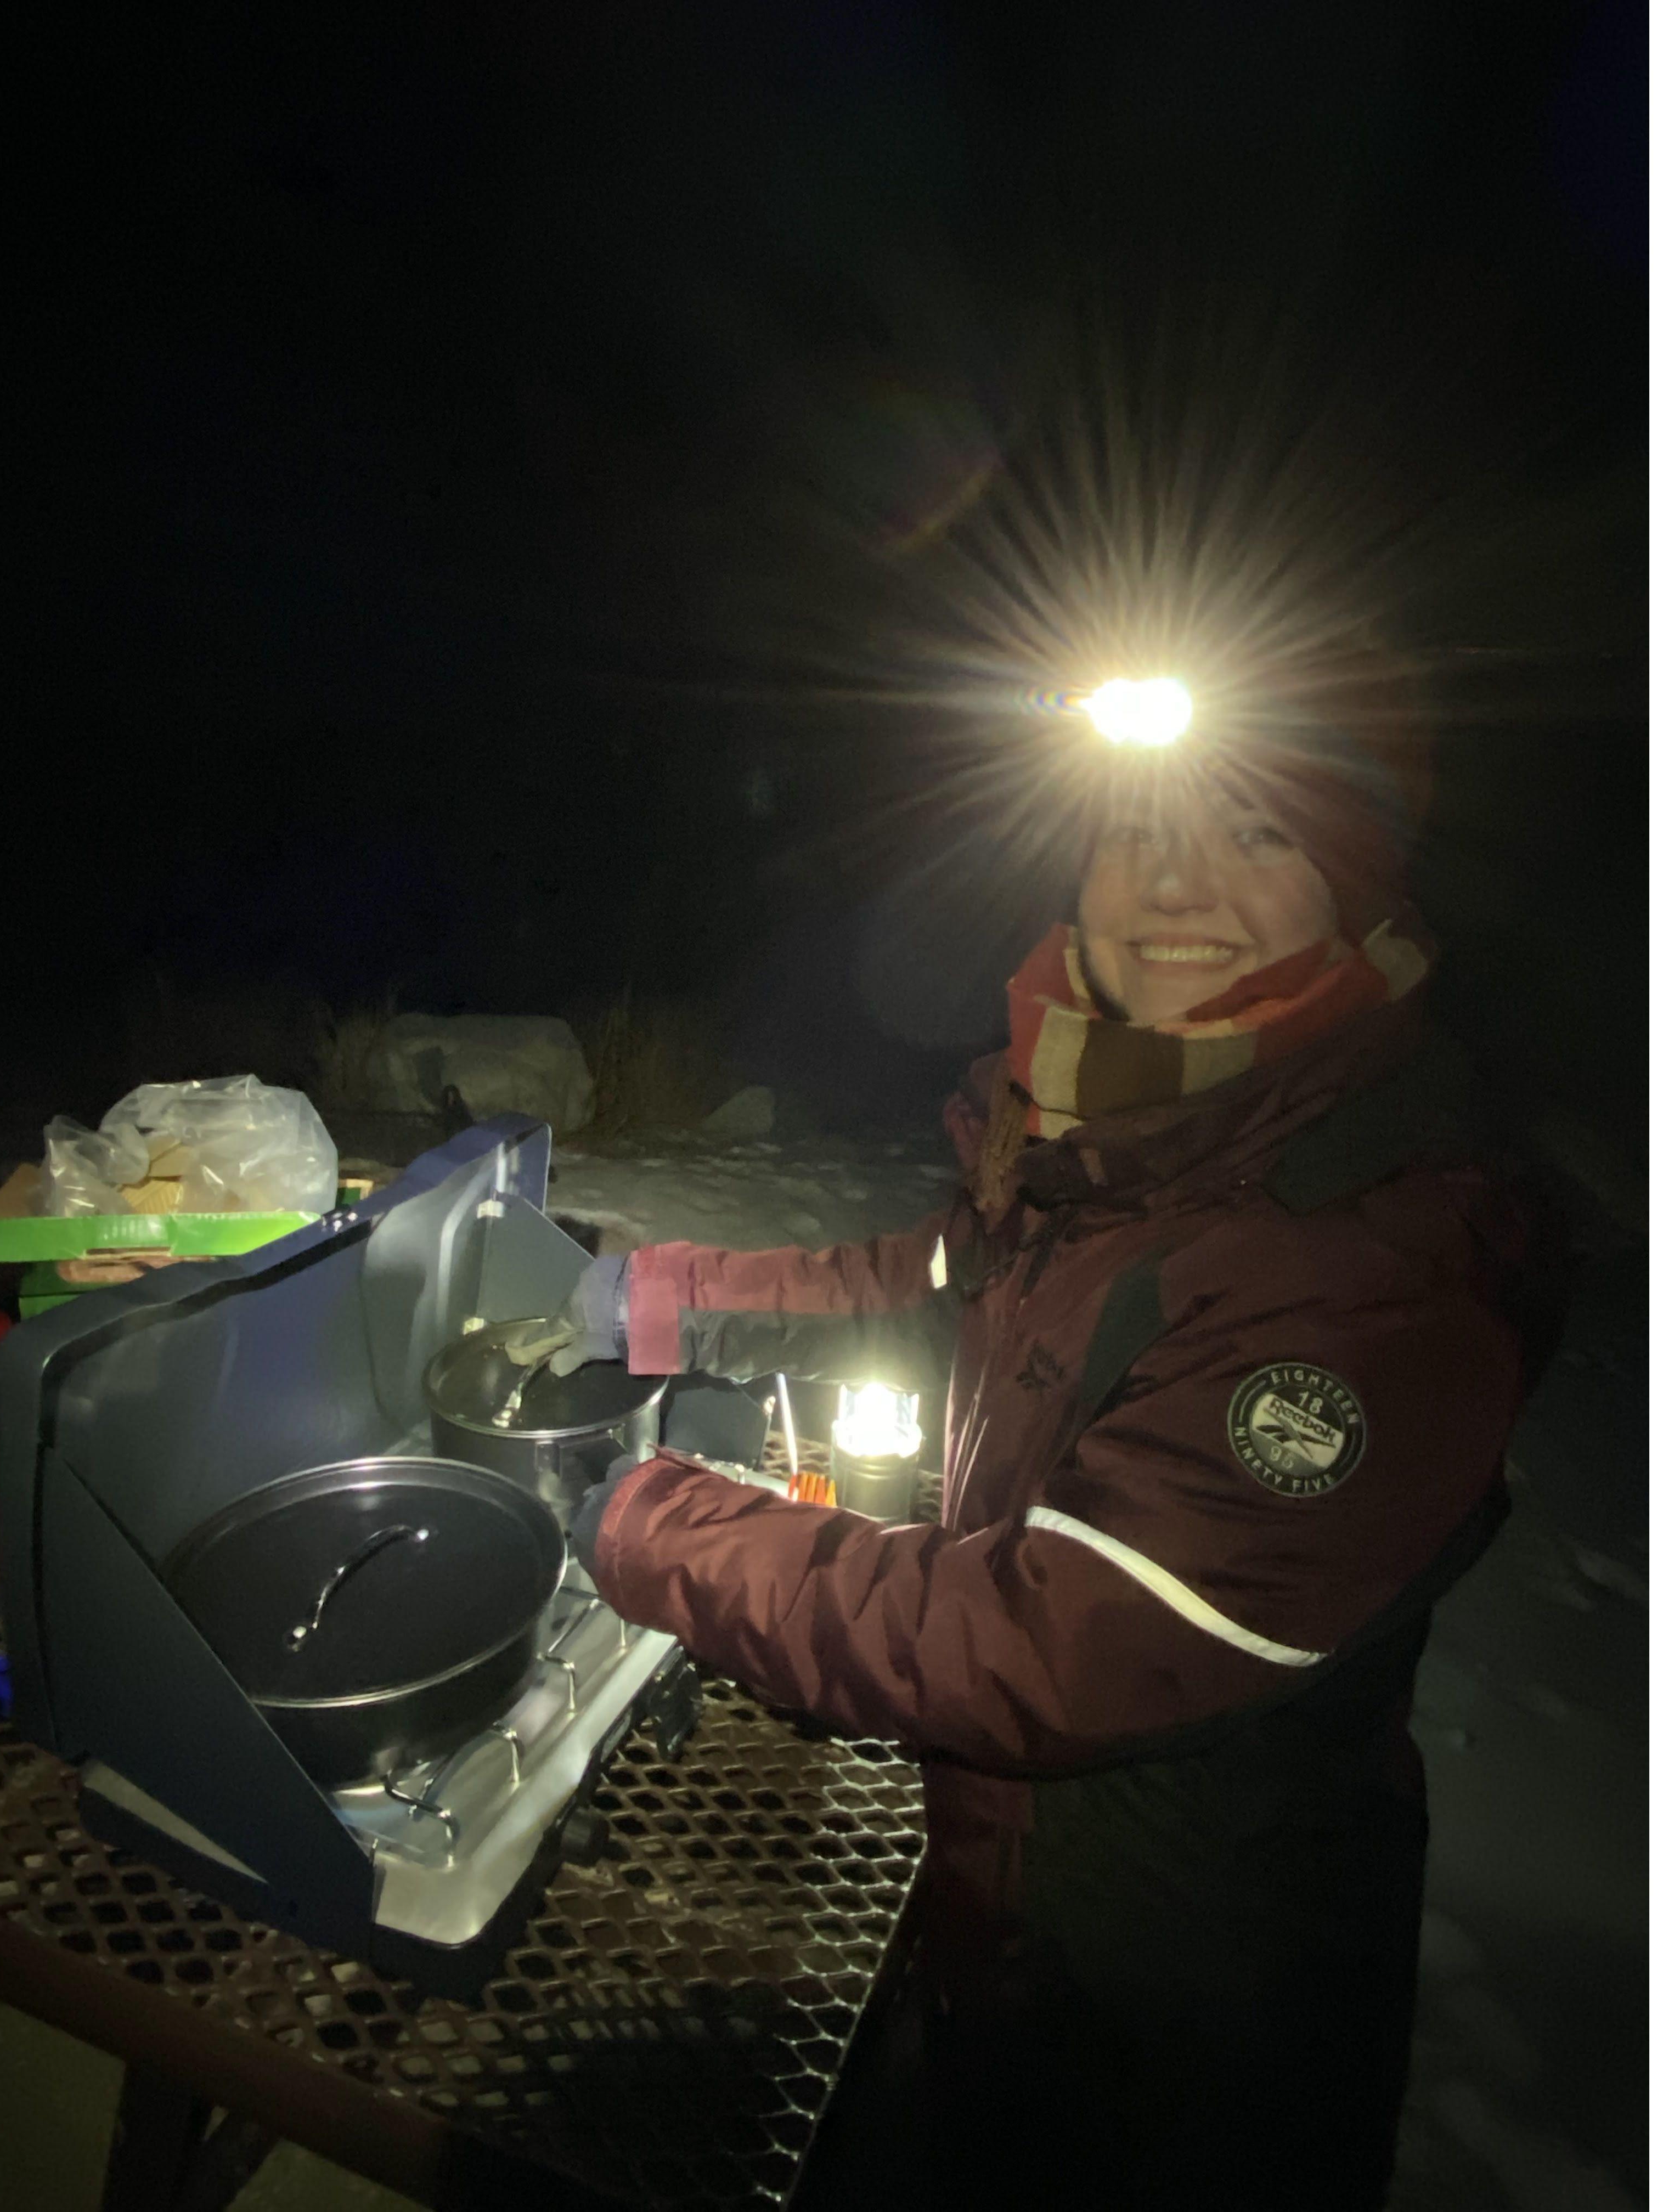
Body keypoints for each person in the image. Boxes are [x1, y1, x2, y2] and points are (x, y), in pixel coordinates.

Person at [512, 687, 1561, 2207]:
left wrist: (657, 1527)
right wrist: (657, 1299)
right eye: (1132, 832)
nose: (1173, 885)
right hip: (1021, 1909)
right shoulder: (1134, 1137)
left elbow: (1051, 1642)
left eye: (1253, 833)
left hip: (1184, 2005)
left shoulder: (1368, 1251)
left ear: (1356, 880)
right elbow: (928, 1286)